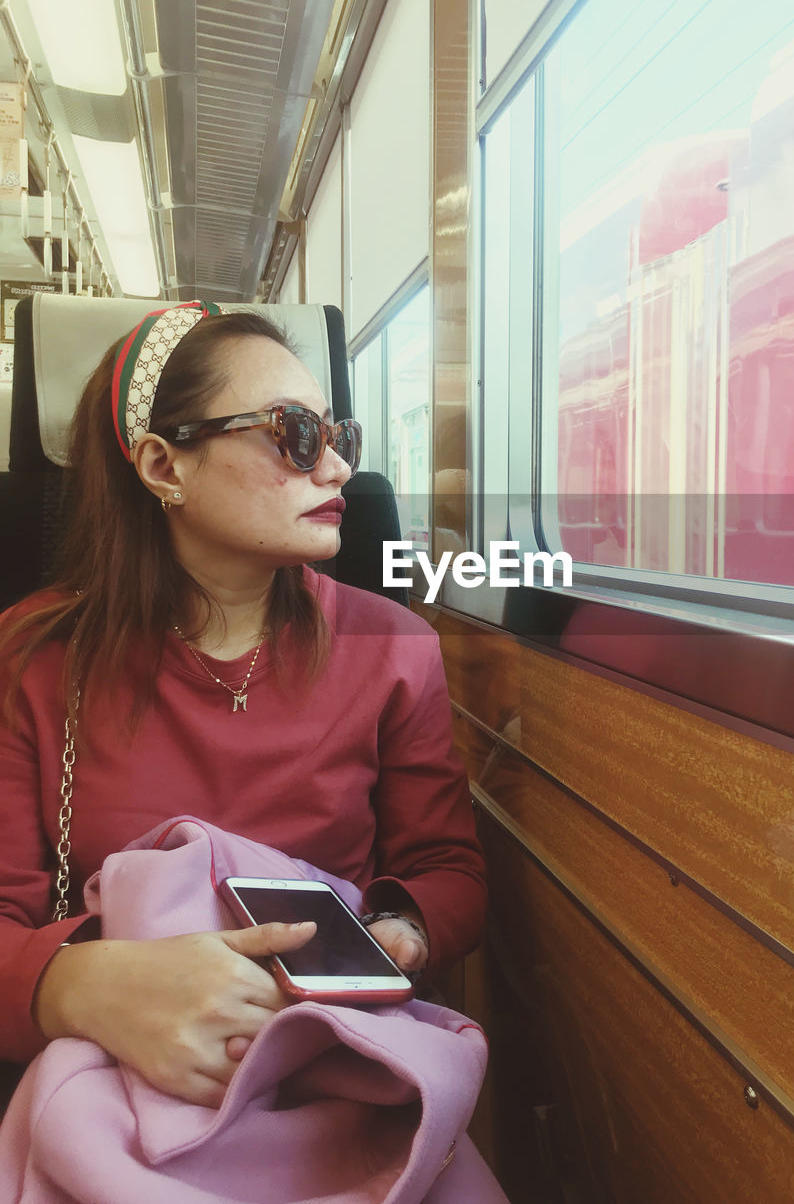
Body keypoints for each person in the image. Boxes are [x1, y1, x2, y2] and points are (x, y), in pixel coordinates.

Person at [0, 301, 486, 1111]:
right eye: (295, 434)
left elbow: (447, 871)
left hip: (329, 1058)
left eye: (339, 440)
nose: (335, 471)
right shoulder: (34, 656)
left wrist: (401, 933)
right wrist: (81, 986)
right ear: (164, 467)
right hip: (116, 1069)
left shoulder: (394, 646)